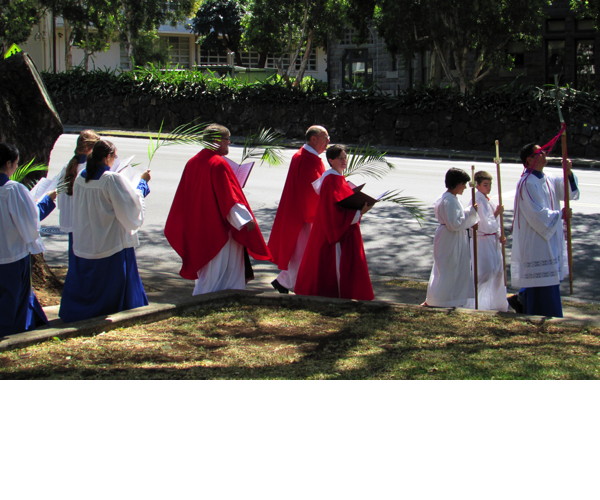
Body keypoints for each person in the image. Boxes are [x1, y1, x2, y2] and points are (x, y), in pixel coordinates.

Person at [164, 123, 271, 295]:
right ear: (217, 141)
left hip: (199, 225)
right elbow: (228, 198)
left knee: (207, 271)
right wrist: (244, 221)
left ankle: (205, 296)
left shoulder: (193, 162)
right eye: (227, 139)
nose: (229, 143)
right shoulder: (218, 164)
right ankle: (213, 298)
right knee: (222, 270)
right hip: (218, 228)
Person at [59, 139, 151, 322]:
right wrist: (142, 184)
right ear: (108, 157)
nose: (115, 159)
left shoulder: (81, 178)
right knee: (110, 285)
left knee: (87, 284)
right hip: (109, 239)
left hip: (87, 238)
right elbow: (129, 208)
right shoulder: (111, 179)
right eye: (115, 156)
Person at [295, 144, 374, 300]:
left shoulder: (336, 177)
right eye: (340, 158)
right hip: (335, 233)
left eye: (345, 157)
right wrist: (359, 212)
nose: (344, 161)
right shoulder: (332, 179)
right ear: (331, 160)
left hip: (339, 229)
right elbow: (333, 210)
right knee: (334, 268)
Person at [510, 142, 580, 317]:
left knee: (549, 278)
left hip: (550, 235)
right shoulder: (526, 183)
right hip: (536, 237)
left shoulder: (547, 178)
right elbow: (536, 214)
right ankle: (533, 306)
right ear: (529, 159)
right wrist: (560, 215)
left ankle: (522, 299)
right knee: (541, 280)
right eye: (539, 153)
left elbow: (568, 194)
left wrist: (568, 172)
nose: (544, 155)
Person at [268, 125, 330, 294]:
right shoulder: (307, 158)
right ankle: (288, 282)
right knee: (303, 252)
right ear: (314, 139)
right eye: (325, 137)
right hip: (303, 215)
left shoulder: (306, 156)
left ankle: (286, 282)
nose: (328, 141)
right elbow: (311, 189)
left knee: (300, 252)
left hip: (300, 212)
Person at [0, 143, 54, 335]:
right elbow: (29, 223)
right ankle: (12, 331)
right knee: (12, 299)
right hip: (11, 254)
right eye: (15, 163)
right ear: (8, 164)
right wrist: (47, 202)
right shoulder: (12, 189)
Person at [424, 168, 479, 308]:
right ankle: (442, 299)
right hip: (450, 238)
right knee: (449, 268)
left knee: (452, 268)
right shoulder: (449, 200)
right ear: (457, 183)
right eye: (463, 184)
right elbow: (454, 224)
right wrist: (471, 212)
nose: (465, 187)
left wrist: (468, 213)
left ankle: (451, 298)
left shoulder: (450, 198)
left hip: (451, 237)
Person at [55, 129, 100, 267]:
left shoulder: (67, 167)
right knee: (87, 262)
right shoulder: (89, 170)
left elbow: (61, 201)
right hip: (87, 223)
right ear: (90, 148)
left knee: (75, 261)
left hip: (72, 222)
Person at [467, 171, 508, 312]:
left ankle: (496, 303)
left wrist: (500, 234)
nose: (488, 187)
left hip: (492, 239)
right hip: (482, 241)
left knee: (497, 272)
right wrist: (496, 213)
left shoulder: (487, 199)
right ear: (477, 185)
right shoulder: (477, 200)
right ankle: (480, 303)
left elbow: (494, 223)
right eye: (485, 185)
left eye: (490, 184)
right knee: (485, 272)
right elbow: (484, 223)